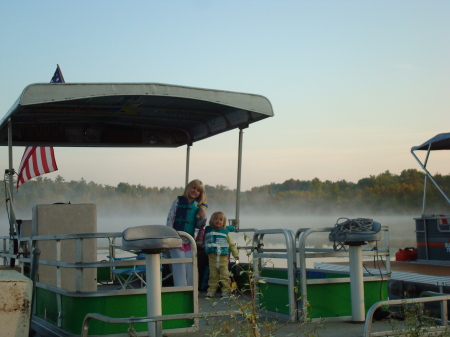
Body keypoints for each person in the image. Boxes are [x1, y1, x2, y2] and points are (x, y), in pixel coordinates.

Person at [166, 179, 207, 287]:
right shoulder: (178, 202)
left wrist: (203, 218)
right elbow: (170, 219)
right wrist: (171, 237)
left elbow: (199, 225)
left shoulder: (197, 206)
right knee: (179, 265)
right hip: (176, 240)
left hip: (189, 241)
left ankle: (191, 290)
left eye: (198, 190)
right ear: (188, 188)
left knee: (191, 265)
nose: (195, 191)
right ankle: (180, 289)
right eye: (193, 188)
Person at [204, 211, 239, 298]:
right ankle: (211, 290)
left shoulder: (226, 232)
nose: (218, 221)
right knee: (213, 275)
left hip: (223, 258)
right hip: (212, 258)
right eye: (215, 219)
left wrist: (235, 254)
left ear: (224, 222)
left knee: (225, 275)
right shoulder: (208, 230)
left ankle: (226, 290)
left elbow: (231, 244)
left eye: (220, 220)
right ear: (211, 221)